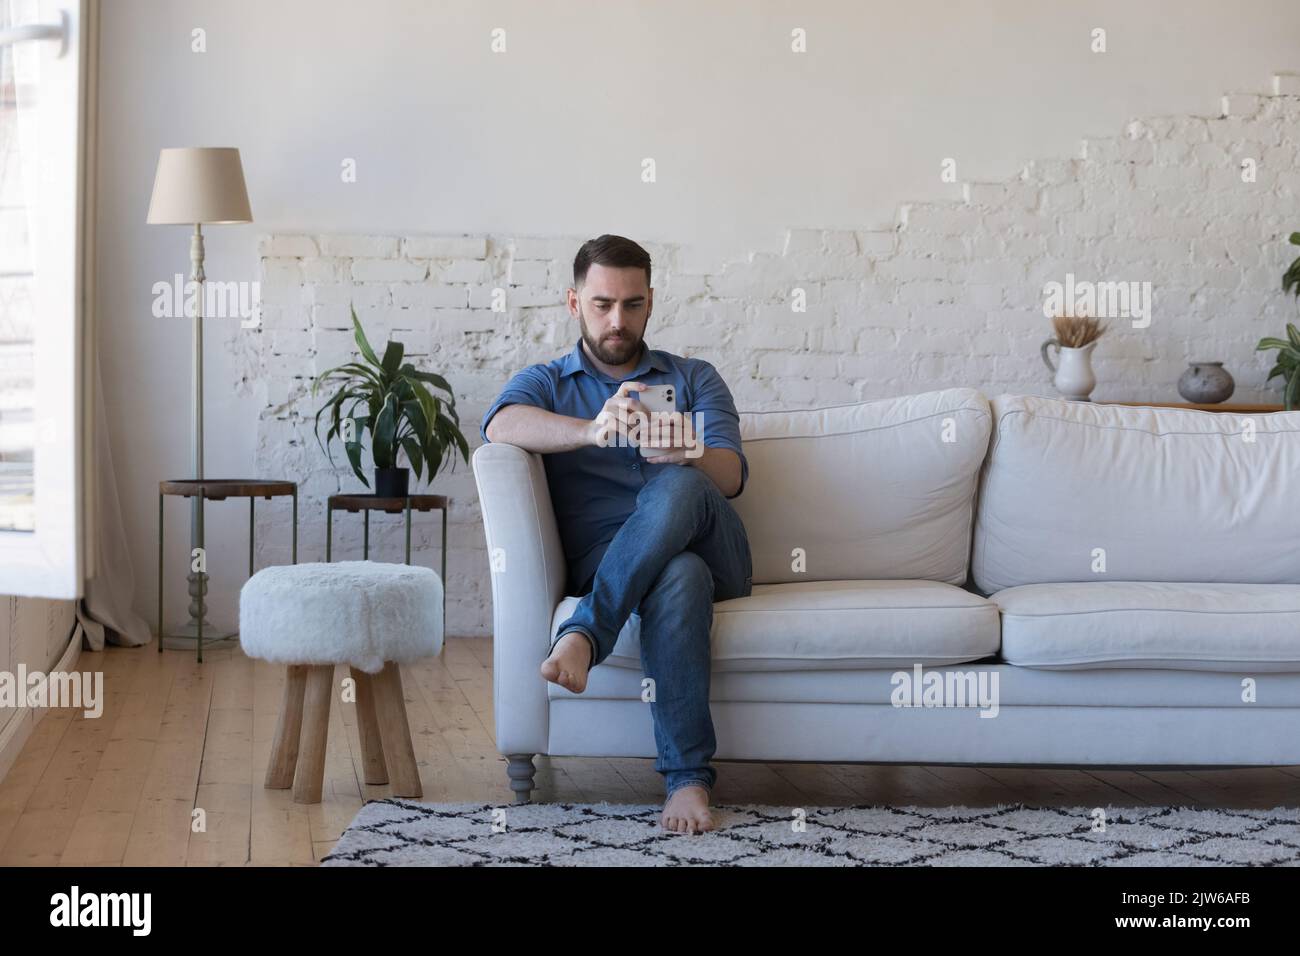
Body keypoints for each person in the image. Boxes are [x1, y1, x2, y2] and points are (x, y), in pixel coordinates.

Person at [481, 234, 753, 834]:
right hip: (622, 563)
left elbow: (730, 479)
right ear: (574, 303)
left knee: (680, 486)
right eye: (602, 304)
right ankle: (687, 782)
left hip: (720, 551)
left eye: (632, 304)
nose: (617, 319)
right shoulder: (549, 383)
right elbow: (500, 425)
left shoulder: (694, 377)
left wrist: (688, 451)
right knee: (678, 574)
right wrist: (589, 430)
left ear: (651, 302)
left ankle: (585, 633)